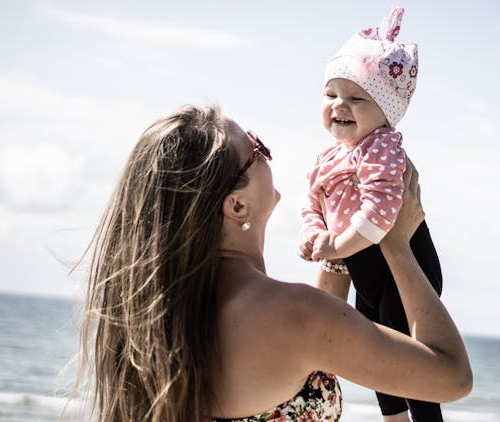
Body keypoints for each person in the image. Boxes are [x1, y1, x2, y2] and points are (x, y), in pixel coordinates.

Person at [75, 104, 471, 422]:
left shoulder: (159, 320)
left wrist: (343, 229)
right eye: (257, 150)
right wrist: (396, 243)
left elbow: (315, 339)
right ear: (237, 205)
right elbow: (452, 377)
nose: (269, 155)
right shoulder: (297, 316)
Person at [298, 8, 446, 421]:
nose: (340, 105)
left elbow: (382, 213)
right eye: (331, 95)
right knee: (376, 347)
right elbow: (313, 201)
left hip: (406, 265)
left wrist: (337, 245)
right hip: (366, 267)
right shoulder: (329, 156)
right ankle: (394, 419)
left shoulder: (381, 147)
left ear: (386, 112)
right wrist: (313, 234)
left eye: (357, 97)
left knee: (409, 356)